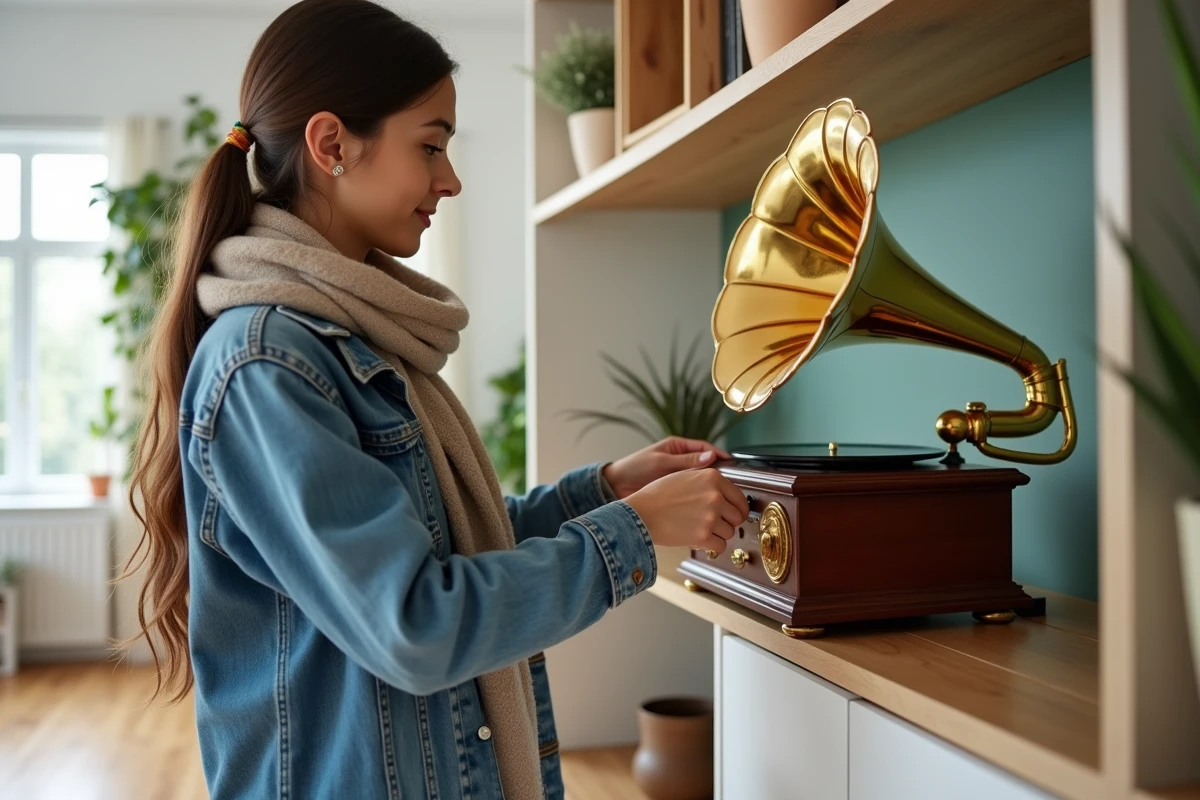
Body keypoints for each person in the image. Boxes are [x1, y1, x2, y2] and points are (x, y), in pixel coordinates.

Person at [121, 1, 749, 798]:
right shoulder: (267, 366)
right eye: (431, 146)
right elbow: (415, 623)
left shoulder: (347, 339)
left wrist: (604, 492)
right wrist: (633, 533)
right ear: (331, 145)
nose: (449, 179)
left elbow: (439, 551)